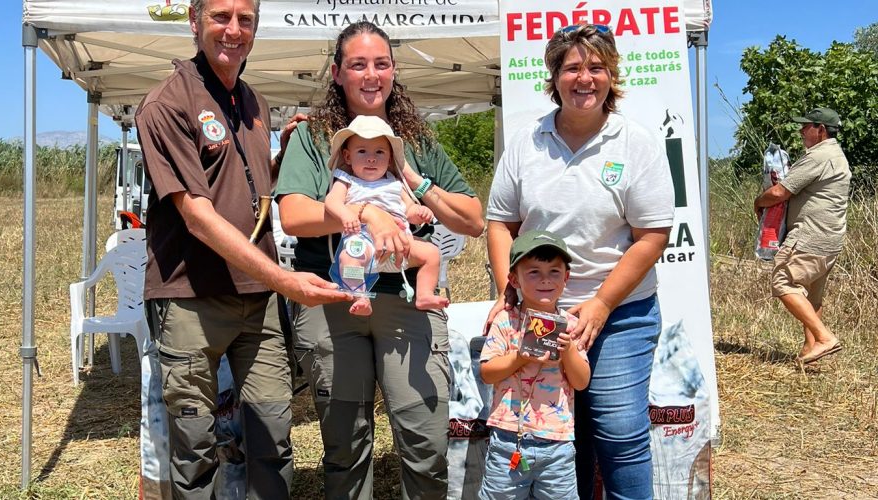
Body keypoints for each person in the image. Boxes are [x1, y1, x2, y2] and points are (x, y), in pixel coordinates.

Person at [135, 0, 349, 497]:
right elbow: (198, 215)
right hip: (191, 297)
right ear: (194, 21)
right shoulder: (166, 103)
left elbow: (251, 194)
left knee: (273, 436)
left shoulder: (254, 102)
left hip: (258, 301)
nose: (234, 30)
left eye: (245, 19)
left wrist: (283, 156)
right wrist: (287, 281)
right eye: (221, 17)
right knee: (196, 447)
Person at [274, 21, 485, 499]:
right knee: (345, 451)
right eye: (358, 65)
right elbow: (293, 214)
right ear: (337, 74)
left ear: (394, 72)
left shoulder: (416, 139)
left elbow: (472, 219)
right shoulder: (314, 137)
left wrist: (413, 176)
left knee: (425, 443)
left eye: (381, 64)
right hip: (336, 303)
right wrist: (366, 213)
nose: (371, 75)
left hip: (408, 304)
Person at [484, 24, 674, 499]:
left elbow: (653, 236)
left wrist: (602, 305)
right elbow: (500, 223)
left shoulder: (637, 143)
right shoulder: (527, 143)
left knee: (618, 432)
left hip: (620, 312)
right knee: (566, 435)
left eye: (596, 67)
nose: (584, 78)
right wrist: (508, 291)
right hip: (539, 315)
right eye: (572, 67)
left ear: (611, 76)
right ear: (554, 77)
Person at [479, 231, 591, 500]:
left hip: (558, 443)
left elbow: (581, 381)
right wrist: (520, 357)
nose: (545, 279)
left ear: (566, 278)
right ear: (514, 279)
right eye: (534, 272)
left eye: (554, 271)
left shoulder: (571, 327)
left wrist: (568, 353)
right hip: (508, 439)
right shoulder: (506, 321)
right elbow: (486, 372)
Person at [324, 114, 449, 315]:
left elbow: (408, 210)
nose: (371, 158)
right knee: (348, 260)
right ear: (347, 157)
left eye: (379, 152)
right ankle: (360, 295)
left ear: (390, 158)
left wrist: (419, 212)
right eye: (362, 151)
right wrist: (345, 215)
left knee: (432, 253)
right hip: (365, 245)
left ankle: (424, 294)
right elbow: (332, 201)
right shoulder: (347, 181)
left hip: (401, 245)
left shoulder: (395, 183)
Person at [754, 106, 851, 364]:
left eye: (806, 126)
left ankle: (824, 337)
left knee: (783, 282)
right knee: (812, 295)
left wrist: (758, 202)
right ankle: (810, 350)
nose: (801, 130)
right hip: (830, 238)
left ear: (820, 130)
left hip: (809, 236)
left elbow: (779, 192)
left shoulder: (819, 156)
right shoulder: (837, 155)